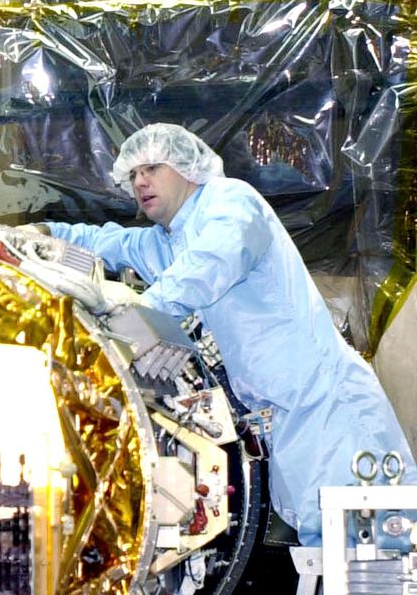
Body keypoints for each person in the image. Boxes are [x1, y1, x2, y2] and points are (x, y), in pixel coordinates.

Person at [43, 123, 414, 544]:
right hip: (284, 418)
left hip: (327, 405)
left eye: (152, 168)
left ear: (186, 166)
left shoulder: (231, 202)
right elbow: (110, 243)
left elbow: (210, 263)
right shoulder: (170, 242)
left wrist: (134, 319)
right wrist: (46, 236)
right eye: (133, 175)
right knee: (325, 550)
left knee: (377, 554)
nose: (140, 181)